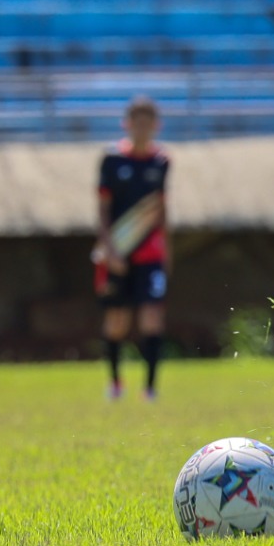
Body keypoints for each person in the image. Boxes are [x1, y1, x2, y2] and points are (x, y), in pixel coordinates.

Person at [94, 95, 171, 401]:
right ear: (127, 124)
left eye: (147, 122)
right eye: (136, 121)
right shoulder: (112, 160)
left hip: (150, 253)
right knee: (117, 321)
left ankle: (150, 389)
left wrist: (167, 253)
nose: (141, 127)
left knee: (151, 317)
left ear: (156, 125)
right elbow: (102, 208)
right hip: (117, 251)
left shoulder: (162, 162)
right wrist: (110, 250)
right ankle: (115, 384)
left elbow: (161, 210)